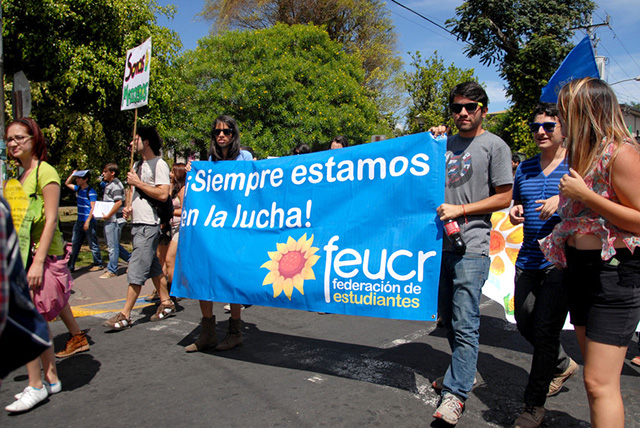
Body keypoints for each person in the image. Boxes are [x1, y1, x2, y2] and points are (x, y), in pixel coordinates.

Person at [540, 77, 640, 428]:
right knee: (592, 380)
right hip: (579, 271)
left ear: (585, 112)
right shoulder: (581, 156)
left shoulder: (622, 154)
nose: (559, 119)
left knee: (600, 383)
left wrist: (587, 196)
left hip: (614, 275)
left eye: (565, 111)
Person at [428, 81, 513, 425]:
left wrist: (461, 212)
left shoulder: (495, 146)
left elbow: (504, 197)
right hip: (437, 247)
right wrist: (430, 139)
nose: (463, 112)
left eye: (471, 106)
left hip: (472, 246)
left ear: (483, 110)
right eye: (456, 107)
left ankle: (456, 394)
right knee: (447, 318)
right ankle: (462, 373)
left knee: (465, 322)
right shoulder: (442, 145)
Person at [4, 118, 89, 411]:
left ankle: (36, 385)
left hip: (40, 257)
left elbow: (52, 218)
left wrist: (38, 262)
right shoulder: (19, 175)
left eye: (18, 138)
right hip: (21, 255)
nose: (12, 143)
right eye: (9, 139)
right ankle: (50, 378)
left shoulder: (45, 172)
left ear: (34, 138)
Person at [509, 103, 577, 428]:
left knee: (546, 330)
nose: (541, 132)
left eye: (549, 126)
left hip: (560, 262)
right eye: (536, 127)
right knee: (525, 323)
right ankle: (562, 364)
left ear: (562, 130)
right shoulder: (524, 168)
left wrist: (562, 201)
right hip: (527, 259)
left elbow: (590, 209)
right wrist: (515, 210)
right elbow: (516, 202)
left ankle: (533, 405)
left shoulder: (576, 168)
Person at [185, 115, 252, 353]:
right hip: (213, 229)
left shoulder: (245, 158)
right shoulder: (210, 161)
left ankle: (235, 332)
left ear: (234, 134)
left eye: (226, 131)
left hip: (236, 228)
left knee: (231, 278)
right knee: (205, 274)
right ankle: (208, 333)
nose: (221, 135)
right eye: (216, 132)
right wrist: (195, 173)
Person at [102, 126, 175, 331]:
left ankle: (125, 314)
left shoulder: (159, 164)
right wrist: (128, 206)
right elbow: (132, 192)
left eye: (136, 139)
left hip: (149, 223)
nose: (132, 143)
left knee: (136, 267)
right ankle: (166, 301)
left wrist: (138, 183)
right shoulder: (137, 164)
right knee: (151, 265)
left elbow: (162, 194)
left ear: (147, 141)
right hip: (137, 222)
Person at [64, 169, 103, 272]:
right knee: (75, 244)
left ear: (85, 179)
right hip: (79, 221)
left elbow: (93, 208)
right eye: (76, 178)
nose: (76, 180)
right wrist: (72, 174)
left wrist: (88, 221)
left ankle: (98, 263)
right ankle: (70, 265)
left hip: (89, 222)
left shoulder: (91, 191)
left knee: (92, 244)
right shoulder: (78, 189)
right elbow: (67, 183)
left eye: (79, 178)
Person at [99, 163, 131, 279]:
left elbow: (118, 202)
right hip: (110, 219)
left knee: (112, 246)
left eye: (105, 171)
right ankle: (131, 260)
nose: (103, 174)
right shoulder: (110, 184)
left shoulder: (116, 185)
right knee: (114, 244)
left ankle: (112, 270)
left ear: (112, 173)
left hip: (114, 220)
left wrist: (108, 215)